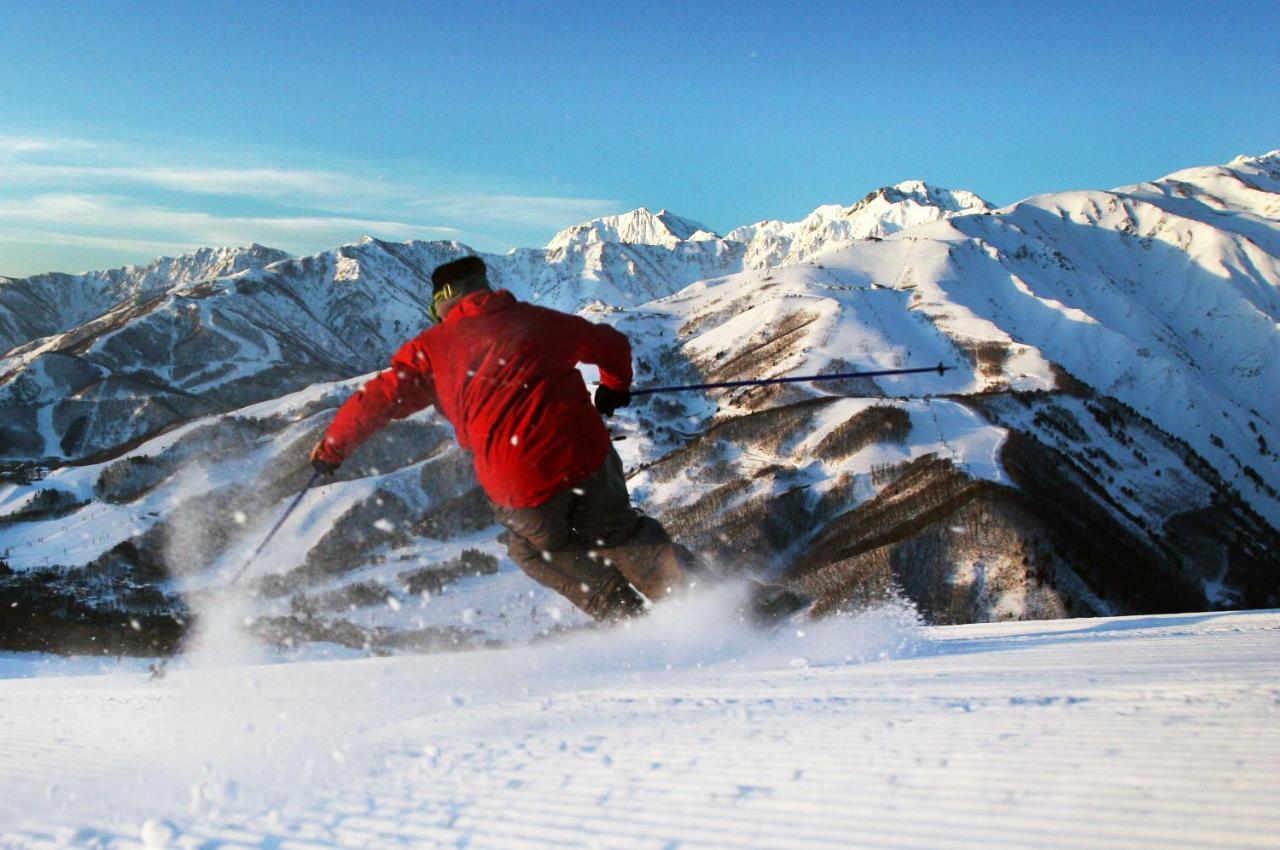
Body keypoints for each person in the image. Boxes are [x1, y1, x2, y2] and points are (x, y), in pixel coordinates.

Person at [309, 255, 703, 621]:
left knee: (533, 549)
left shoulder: (431, 350)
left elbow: (375, 402)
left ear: (441, 304)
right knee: (621, 532)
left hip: (521, 480)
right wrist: (615, 386)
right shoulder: (539, 321)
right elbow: (611, 344)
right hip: (585, 455)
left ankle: (628, 617)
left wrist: (332, 450)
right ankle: (704, 606)